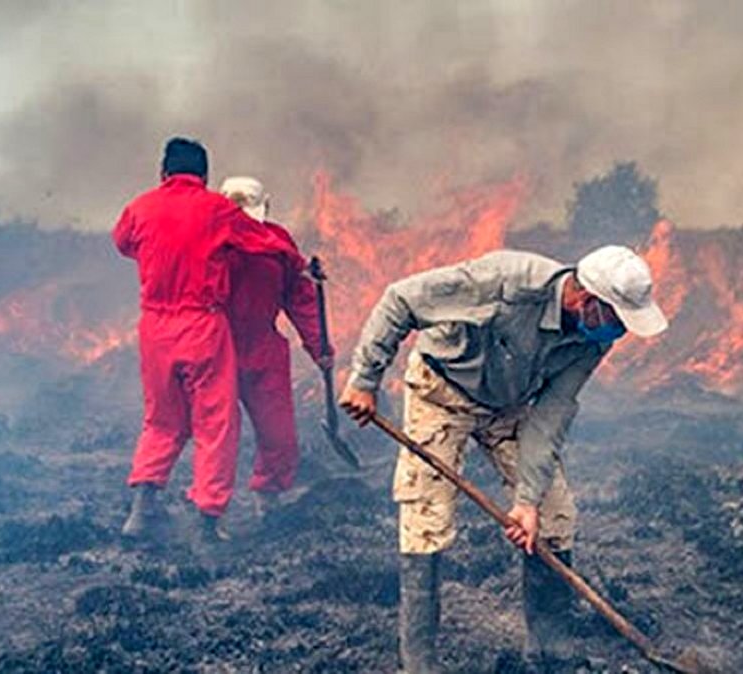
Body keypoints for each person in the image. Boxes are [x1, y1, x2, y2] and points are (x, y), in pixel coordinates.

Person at [339, 246, 667, 672]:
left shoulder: (591, 339)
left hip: (510, 406)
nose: (620, 333)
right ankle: (419, 664)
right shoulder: (506, 283)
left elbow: (550, 415)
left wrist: (528, 502)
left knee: (554, 515)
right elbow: (401, 299)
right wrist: (365, 379)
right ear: (587, 300)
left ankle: (549, 654)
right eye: (619, 320)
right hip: (442, 392)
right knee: (425, 521)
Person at [113, 138, 301, 543]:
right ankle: (208, 521)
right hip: (201, 324)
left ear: (163, 173)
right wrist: (297, 260)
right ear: (204, 177)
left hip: (154, 327)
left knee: (161, 419)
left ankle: (141, 510)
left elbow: (123, 243)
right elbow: (261, 240)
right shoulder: (217, 211)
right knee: (215, 423)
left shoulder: (139, 207)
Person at [219, 176, 332, 518]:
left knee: (279, 433)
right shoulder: (209, 242)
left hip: (262, 348)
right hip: (217, 346)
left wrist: (320, 346)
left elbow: (299, 298)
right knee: (219, 436)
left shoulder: (278, 243)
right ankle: (210, 510)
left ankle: (267, 498)